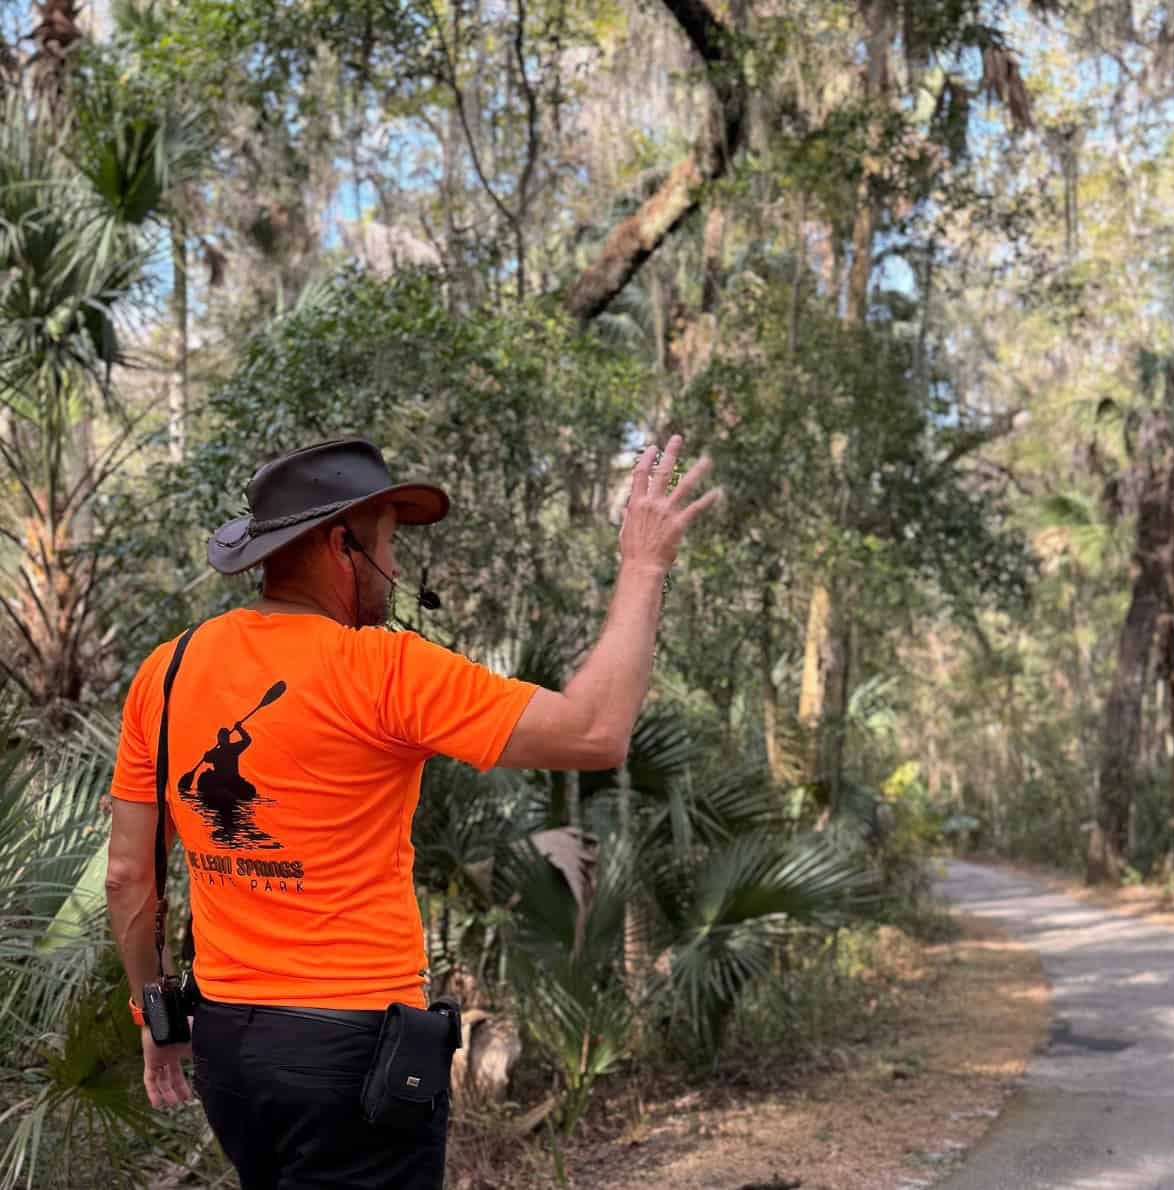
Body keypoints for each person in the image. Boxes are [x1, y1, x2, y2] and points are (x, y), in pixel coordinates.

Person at [104, 434, 720, 1190]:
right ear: (341, 545)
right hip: (351, 1057)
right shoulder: (384, 669)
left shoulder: (164, 673)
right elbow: (596, 731)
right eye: (390, 545)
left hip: (230, 1048)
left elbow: (130, 876)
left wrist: (155, 1021)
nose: (395, 570)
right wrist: (645, 563)